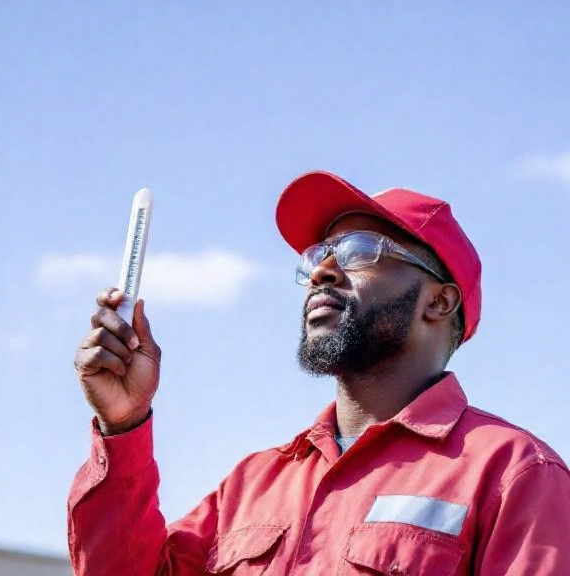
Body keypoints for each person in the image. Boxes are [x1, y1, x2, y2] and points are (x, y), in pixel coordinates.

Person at [68, 171, 570, 575]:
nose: (322, 272)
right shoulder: (253, 484)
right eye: (317, 258)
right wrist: (123, 424)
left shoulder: (515, 474)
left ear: (439, 301)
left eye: (359, 254)